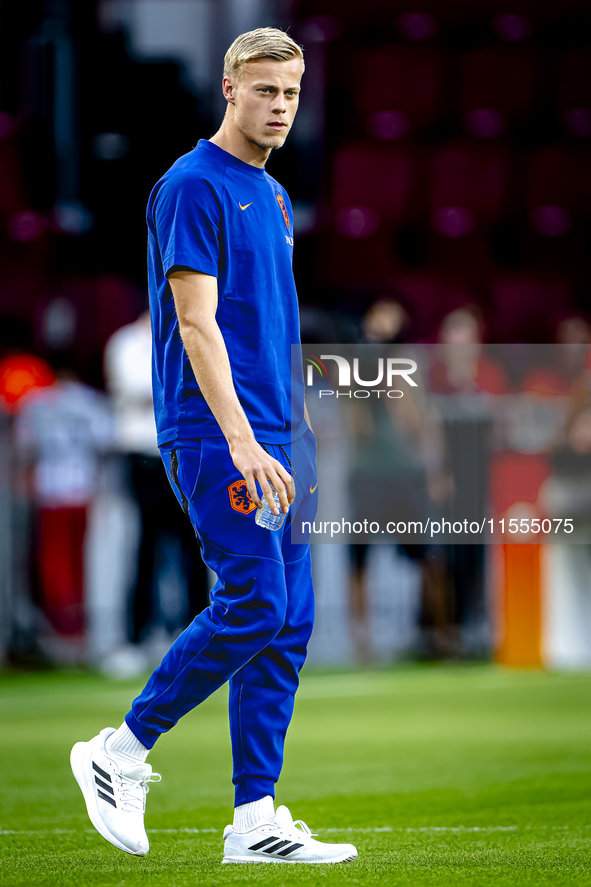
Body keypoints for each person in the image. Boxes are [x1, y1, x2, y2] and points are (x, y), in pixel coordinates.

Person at [70, 28, 357, 866]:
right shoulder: (192, 185)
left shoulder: (268, 194)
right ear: (228, 88)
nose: (279, 107)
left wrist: (294, 427)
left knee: (290, 621)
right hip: (217, 434)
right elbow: (196, 324)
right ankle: (118, 750)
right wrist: (240, 439)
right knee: (256, 603)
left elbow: (265, 324)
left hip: (281, 433)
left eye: (292, 94)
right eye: (264, 90)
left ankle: (254, 818)